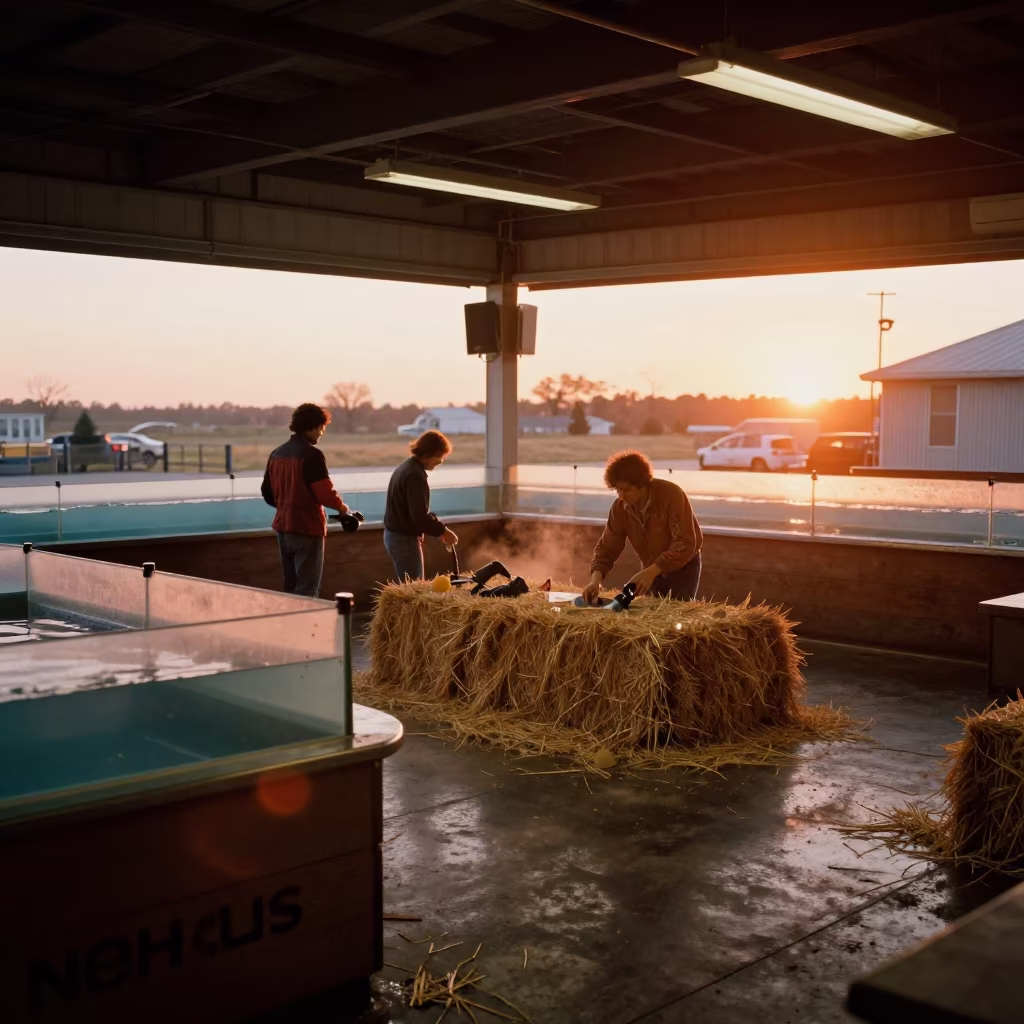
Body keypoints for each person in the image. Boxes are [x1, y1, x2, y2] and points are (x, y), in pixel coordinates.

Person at [583, 450, 703, 604]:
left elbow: (685, 543)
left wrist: (650, 572)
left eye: (626, 490)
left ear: (642, 484)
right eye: (617, 490)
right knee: (652, 612)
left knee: (676, 613)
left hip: (683, 566)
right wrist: (595, 581)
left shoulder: (671, 495)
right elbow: (607, 547)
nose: (621, 496)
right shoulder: (620, 507)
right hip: (650, 566)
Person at [261, 403, 350, 597]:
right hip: (307, 529)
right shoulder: (312, 455)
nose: (321, 434)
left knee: (291, 588)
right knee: (307, 590)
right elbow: (325, 494)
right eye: (321, 428)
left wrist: (287, 506)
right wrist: (342, 508)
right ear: (313, 426)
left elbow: (267, 493)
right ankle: (307, 626)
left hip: (283, 529)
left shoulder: (276, 454)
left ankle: (290, 625)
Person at [384, 429, 459, 581]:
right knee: (414, 589)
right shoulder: (415, 476)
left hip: (394, 535)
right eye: (439, 456)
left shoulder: (405, 467)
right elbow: (419, 516)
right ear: (427, 453)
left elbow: (413, 510)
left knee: (408, 587)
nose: (440, 461)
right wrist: (442, 531)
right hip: (404, 539)